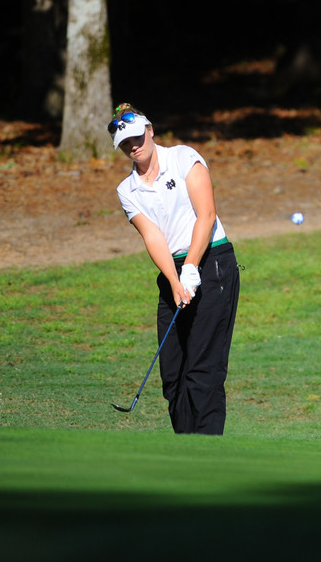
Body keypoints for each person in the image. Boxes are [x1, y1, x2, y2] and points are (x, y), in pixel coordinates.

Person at [109, 103, 240, 435]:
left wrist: (192, 268)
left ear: (150, 130)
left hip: (212, 263)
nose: (134, 146)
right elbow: (153, 236)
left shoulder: (184, 158)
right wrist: (174, 280)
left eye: (137, 137)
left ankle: (207, 452)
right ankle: (184, 450)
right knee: (173, 374)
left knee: (202, 371)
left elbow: (206, 215)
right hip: (173, 270)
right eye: (126, 144)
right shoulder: (128, 190)